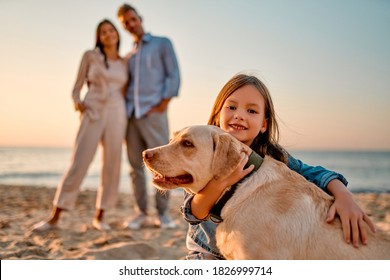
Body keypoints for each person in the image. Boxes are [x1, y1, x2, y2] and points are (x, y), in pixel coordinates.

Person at [181, 73, 376, 259]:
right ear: (217, 115)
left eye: (251, 111)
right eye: (231, 107)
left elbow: (314, 174)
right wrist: (223, 182)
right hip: (207, 253)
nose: (239, 115)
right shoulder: (202, 153)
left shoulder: (273, 157)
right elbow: (194, 213)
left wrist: (344, 196)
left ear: (263, 125)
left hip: (253, 251)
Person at [32, 19, 128, 231]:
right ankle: (54, 217)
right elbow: (76, 88)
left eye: (111, 30)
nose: (108, 34)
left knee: (112, 165)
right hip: (93, 111)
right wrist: (79, 104)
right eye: (103, 32)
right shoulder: (90, 56)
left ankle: (100, 217)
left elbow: (125, 91)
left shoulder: (124, 62)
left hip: (117, 114)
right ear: (98, 36)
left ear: (117, 34)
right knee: (79, 162)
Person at [117, 4, 180, 230]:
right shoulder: (129, 57)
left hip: (154, 113)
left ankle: (162, 214)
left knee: (163, 163)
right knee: (135, 166)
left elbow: (173, 74)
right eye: (126, 23)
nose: (131, 24)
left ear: (140, 19)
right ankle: (142, 212)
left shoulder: (162, 43)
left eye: (133, 19)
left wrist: (163, 103)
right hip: (131, 116)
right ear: (124, 27)